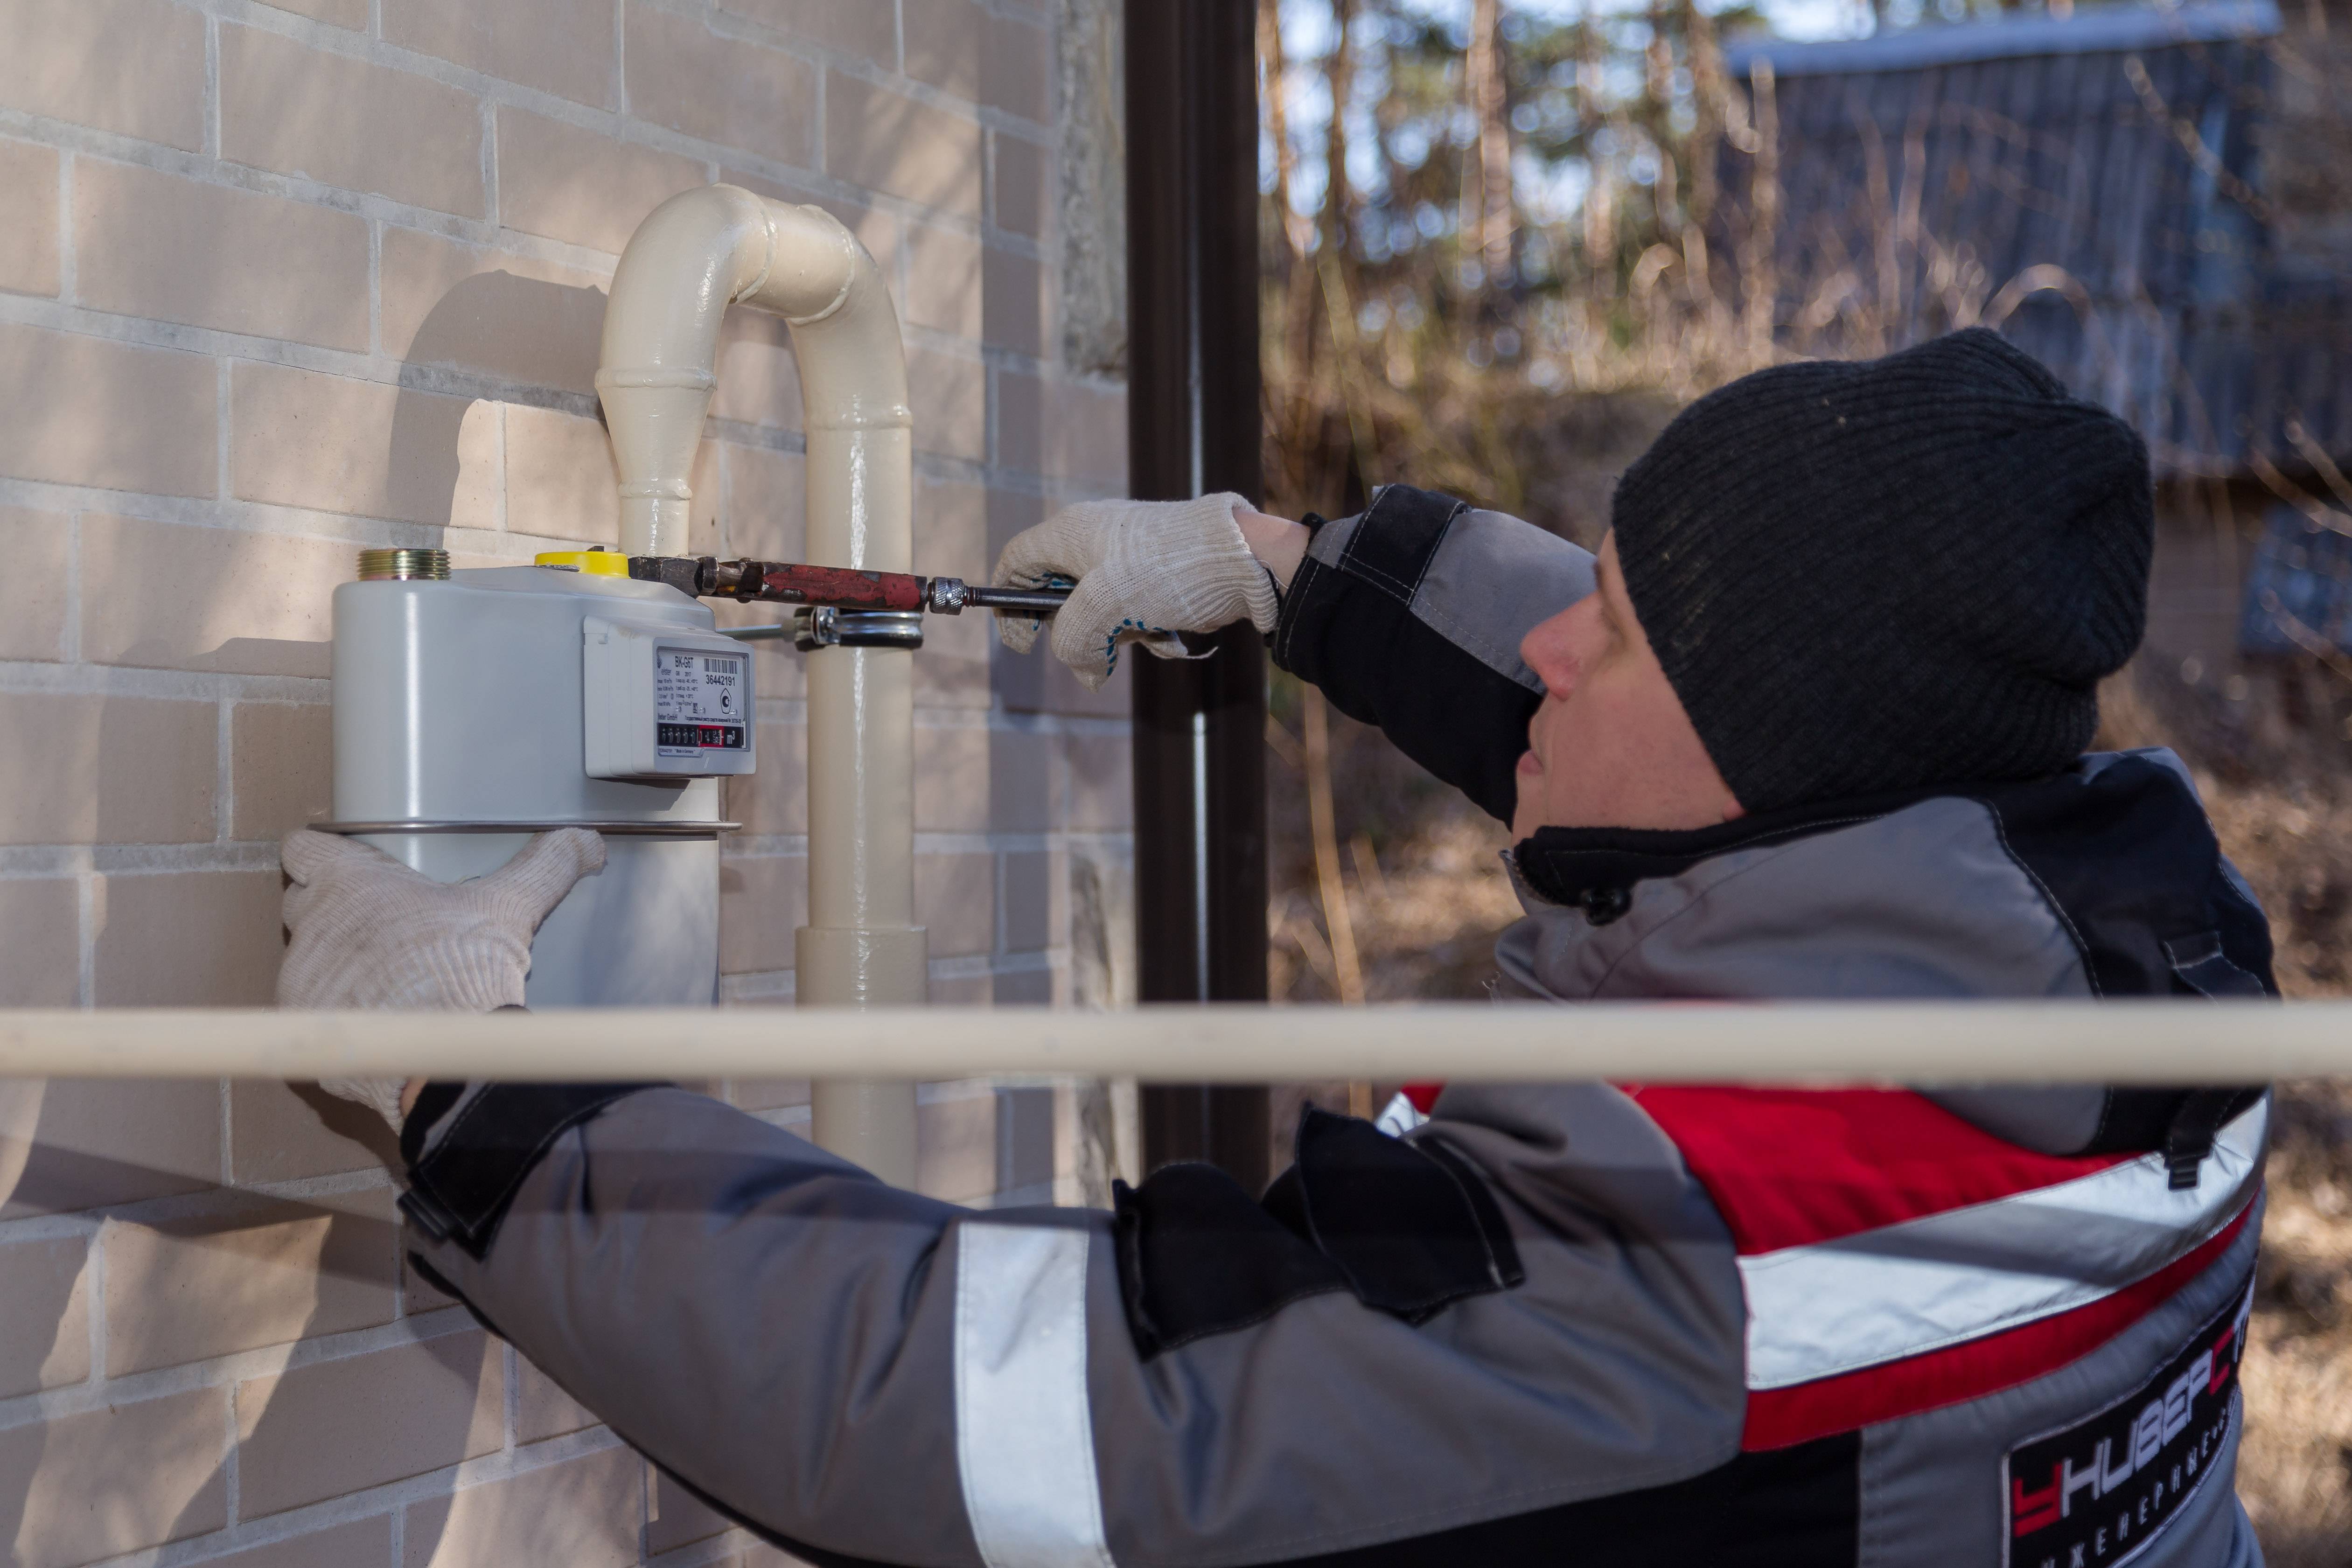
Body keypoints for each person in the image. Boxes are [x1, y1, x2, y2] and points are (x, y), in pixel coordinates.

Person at [280, 329, 2272, 1567]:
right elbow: (1669, 766)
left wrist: (481, 1108)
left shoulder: (1685, 1265)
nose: (1561, 643)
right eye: (1598, 585)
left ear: (1772, 752)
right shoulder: (2153, 950)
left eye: (1628, 631)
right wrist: (1285, 567)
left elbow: (1012, 1414)